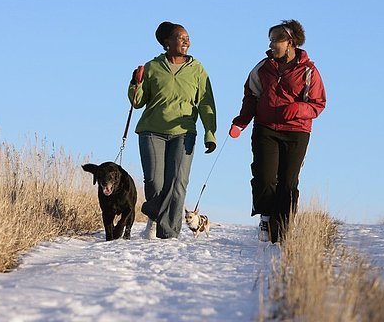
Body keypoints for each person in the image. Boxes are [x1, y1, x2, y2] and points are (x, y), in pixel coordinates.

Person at [229, 20, 326, 243]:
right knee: (264, 177)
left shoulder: (309, 71)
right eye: (270, 40)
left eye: (276, 40)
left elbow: (318, 103)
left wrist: (298, 108)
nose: (271, 45)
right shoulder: (263, 67)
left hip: (296, 132)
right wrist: (241, 122)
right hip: (265, 129)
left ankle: (282, 230)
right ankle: (265, 217)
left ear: (290, 42)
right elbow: (251, 95)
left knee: (288, 183)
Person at [129, 21, 217, 239]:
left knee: (177, 184)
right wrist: (134, 82)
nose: (186, 40)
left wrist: (209, 132)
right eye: (180, 37)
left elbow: (206, 103)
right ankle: (155, 218)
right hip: (152, 131)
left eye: (187, 37)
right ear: (167, 42)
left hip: (184, 133)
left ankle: (168, 234)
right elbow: (137, 101)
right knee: (155, 182)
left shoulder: (197, 69)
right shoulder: (152, 67)